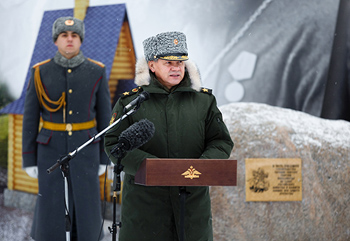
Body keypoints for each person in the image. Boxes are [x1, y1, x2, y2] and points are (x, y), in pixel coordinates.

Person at [104, 31, 234, 241]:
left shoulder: (204, 101)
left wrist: (202, 167)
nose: (176, 68)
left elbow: (221, 141)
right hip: (145, 206)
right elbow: (113, 144)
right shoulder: (131, 102)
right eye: (169, 62)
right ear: (152, 65)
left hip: (192, 204)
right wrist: (154, 170)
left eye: (180, 62)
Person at [22, 16, 111, 241]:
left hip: (86, 148)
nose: (69, 40)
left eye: (74, 36)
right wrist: (28, 159)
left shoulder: (96, 71)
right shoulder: (40, 72)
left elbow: (104, 118)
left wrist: (104, 157)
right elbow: (30, 119)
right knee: (50, 203)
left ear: (80, 40)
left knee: (87, 203)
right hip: (49, 150)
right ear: (56, 40)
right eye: (64, 35)